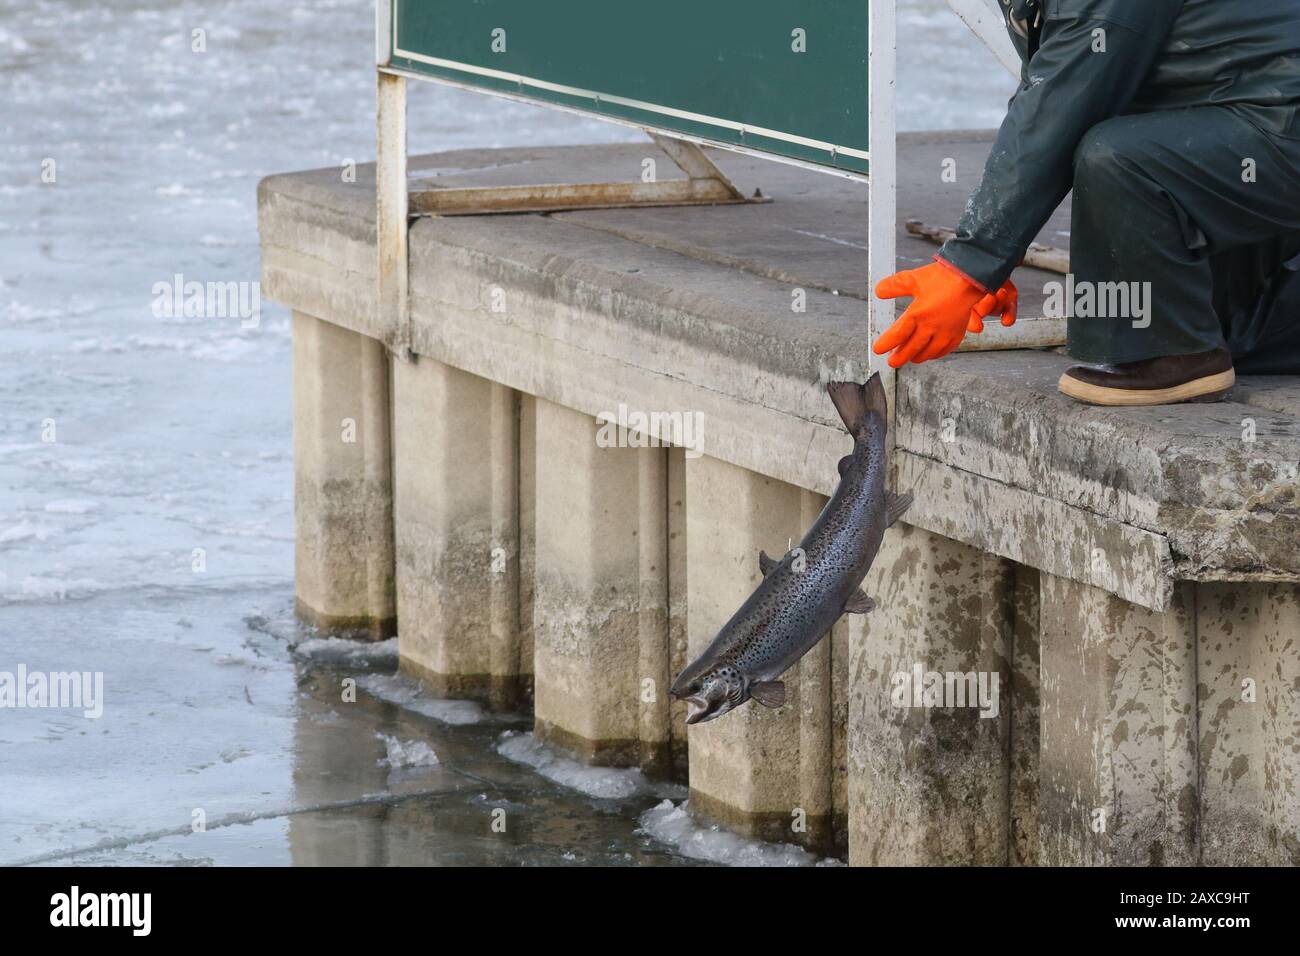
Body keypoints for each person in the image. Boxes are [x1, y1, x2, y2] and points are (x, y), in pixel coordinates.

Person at [872, 0, 1300, 406]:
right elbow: (1052, 91)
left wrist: (968, 268)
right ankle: (1194, 343)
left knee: (1119, 159)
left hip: (1274, 127)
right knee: (1227, 325)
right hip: (1248, 126)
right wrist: (994, 261)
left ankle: (1176, 357)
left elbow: (1059, 106)